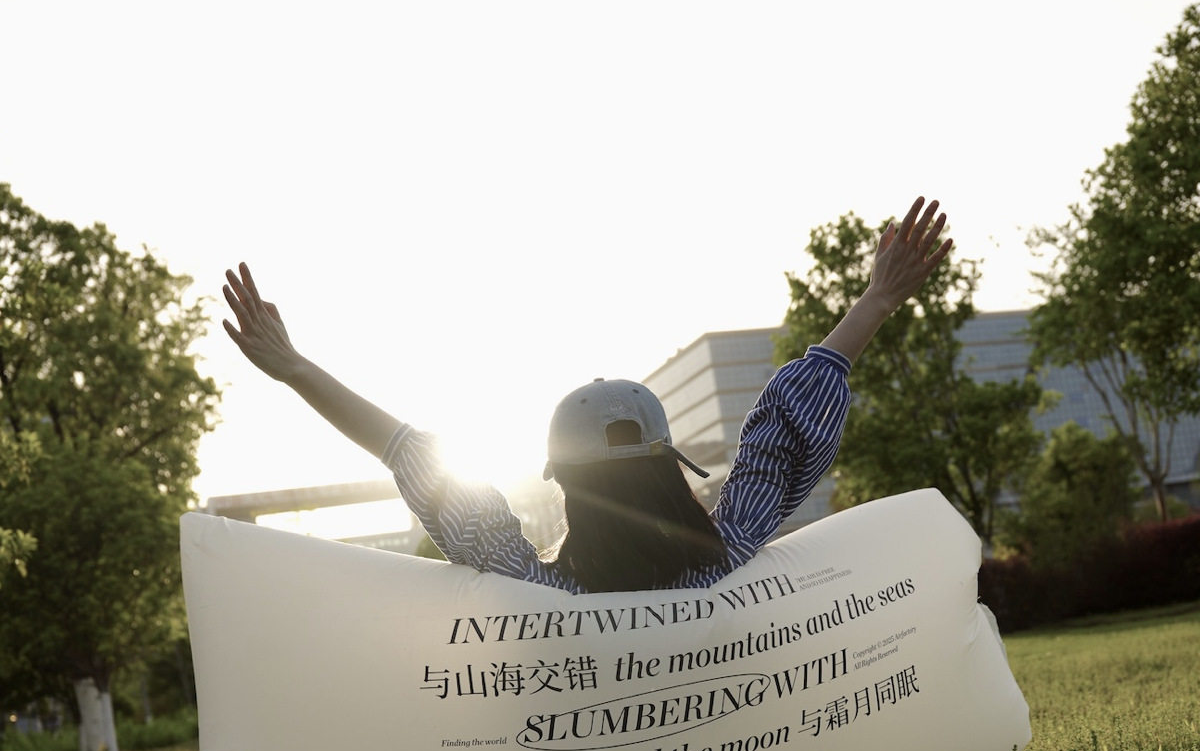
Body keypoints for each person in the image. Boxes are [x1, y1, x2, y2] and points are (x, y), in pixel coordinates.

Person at [223, 196, 951, 594]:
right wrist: (876, 300)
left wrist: (296, 369)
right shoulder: (728, 560)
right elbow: (782, 437)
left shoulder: (538, 595)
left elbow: (411, 456)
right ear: (670, 467)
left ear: (565, 486)